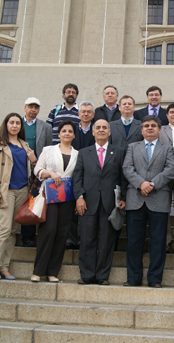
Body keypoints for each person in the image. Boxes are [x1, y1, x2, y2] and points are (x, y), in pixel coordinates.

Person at [0, 113, 37, 280]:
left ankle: (5, 267)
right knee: (4, 229)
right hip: (5, 191)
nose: (14, 125)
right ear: (6, 125)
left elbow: (32, 168)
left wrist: (33, 160)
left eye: (18, 123)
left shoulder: (24, 145)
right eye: (11, 122)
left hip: (22, 190)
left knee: (13, 230)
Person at [122, 115, 174, 288]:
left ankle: (155, 278)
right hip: (135, 198)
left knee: (158, 241)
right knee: (134, 240)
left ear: (160, 130)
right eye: (146, 126)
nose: (150, 128)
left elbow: (170, 169)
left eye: (153, 125)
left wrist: (152, 184)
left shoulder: (167, 148)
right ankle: (133, 277)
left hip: (159, 197)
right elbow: (127, 168)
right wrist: (141, 183)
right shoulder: (132, 147)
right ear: (141, 129)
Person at [73, 119, 127, 285]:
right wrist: (79, 197)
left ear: (110, 132)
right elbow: (77, 177)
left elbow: (123, 177)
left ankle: (102, 276)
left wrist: (123, 197)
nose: (101, 130)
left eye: (105, 128)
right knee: (87, 239)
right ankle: (87, 275)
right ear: (93, 132)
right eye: (98, 128)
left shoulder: (119, 151)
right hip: (88, 202)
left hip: (110, 204)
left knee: (106, 241)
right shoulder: (83, 152)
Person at [31, 120, 79, 283]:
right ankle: (38, 271)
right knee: (48, 230)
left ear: (73, 135)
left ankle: (53, 272)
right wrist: (50, 173)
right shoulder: (48, 150)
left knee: (62, 233)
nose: (67, 133)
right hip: (49, 195)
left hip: (67, 197)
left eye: (70, 131)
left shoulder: (77, 154)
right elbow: (37, 169)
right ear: (58, 134)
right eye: (64, 131)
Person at [21, 97, 53, 248]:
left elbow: (48, 149)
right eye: (30, 106)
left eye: (36, 107)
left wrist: (40, 165)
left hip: (37, 169)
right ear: (25, 108)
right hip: (19, 169)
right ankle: (25, 235)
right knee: (23, 202)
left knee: (34, 201)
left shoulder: (45, 127)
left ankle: (36, 235)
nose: (33, 109)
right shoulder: (16, 124)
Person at [66, 101, 96, 250]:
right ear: (78, 114)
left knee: (88, 205)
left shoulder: (96, 130)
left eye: (88, 111)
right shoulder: (72, 130)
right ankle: (71, 238)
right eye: (83, 111)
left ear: (93, 114)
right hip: (73, 171)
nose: (85, 114)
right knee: (72, 206)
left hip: (91, 172)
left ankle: (85, 239)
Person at [159, 102, 174, 254]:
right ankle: (167, 241)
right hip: (164, 174)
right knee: (164, 208)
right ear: (167, 115)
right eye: (171, 112)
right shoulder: (160, 130)